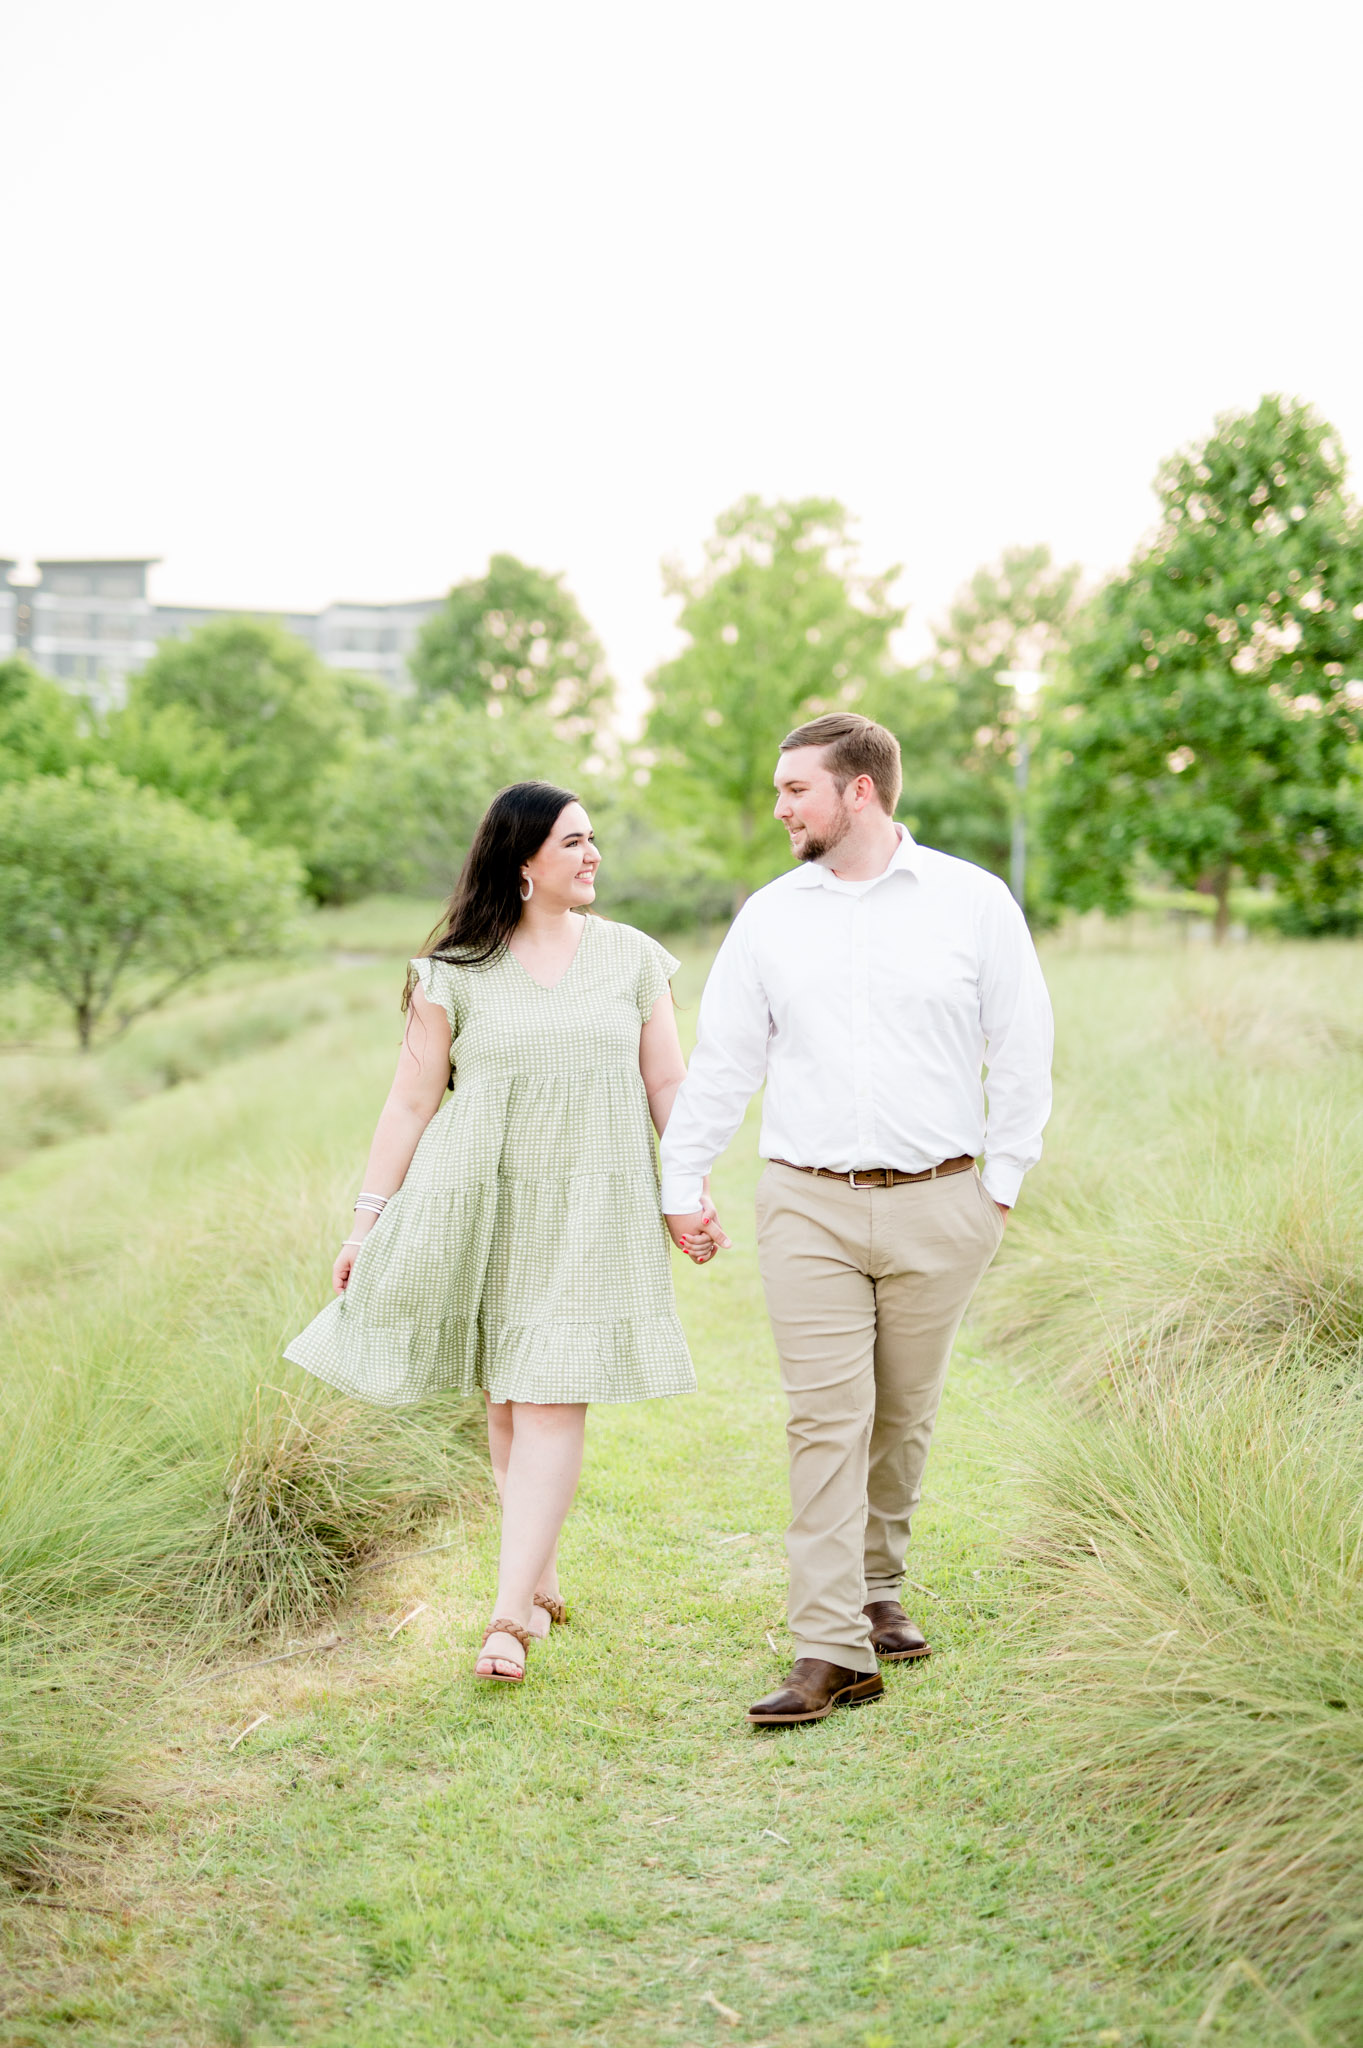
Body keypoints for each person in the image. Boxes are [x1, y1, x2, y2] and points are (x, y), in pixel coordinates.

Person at [659, 713, 1053, 1727]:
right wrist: (680, 1175)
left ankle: (878, 1587)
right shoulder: (770, 916)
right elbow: (725, 1059)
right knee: (824, 1417)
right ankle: (829, 1645)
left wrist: (998, 1183)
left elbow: (1020, 1047)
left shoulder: (972, 901)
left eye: (796, 788)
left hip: (941, 1200)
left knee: (903, 1409)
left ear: (860, 791)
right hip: (806, 1203)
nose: (781, 806)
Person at [285, 781, 716, 1684]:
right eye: (573, 842)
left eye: (593, 840)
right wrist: (366, 1222)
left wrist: (688, 1188)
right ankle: (541, 1575)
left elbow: (668, 1086)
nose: (593, 855)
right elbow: (409, 1103)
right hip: (477, 1194)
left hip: (593, 1200)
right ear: (521, 862)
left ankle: (507, 1618)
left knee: (553, 1391)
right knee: (510, 1398)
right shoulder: (454, 970)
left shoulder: (635, 961)